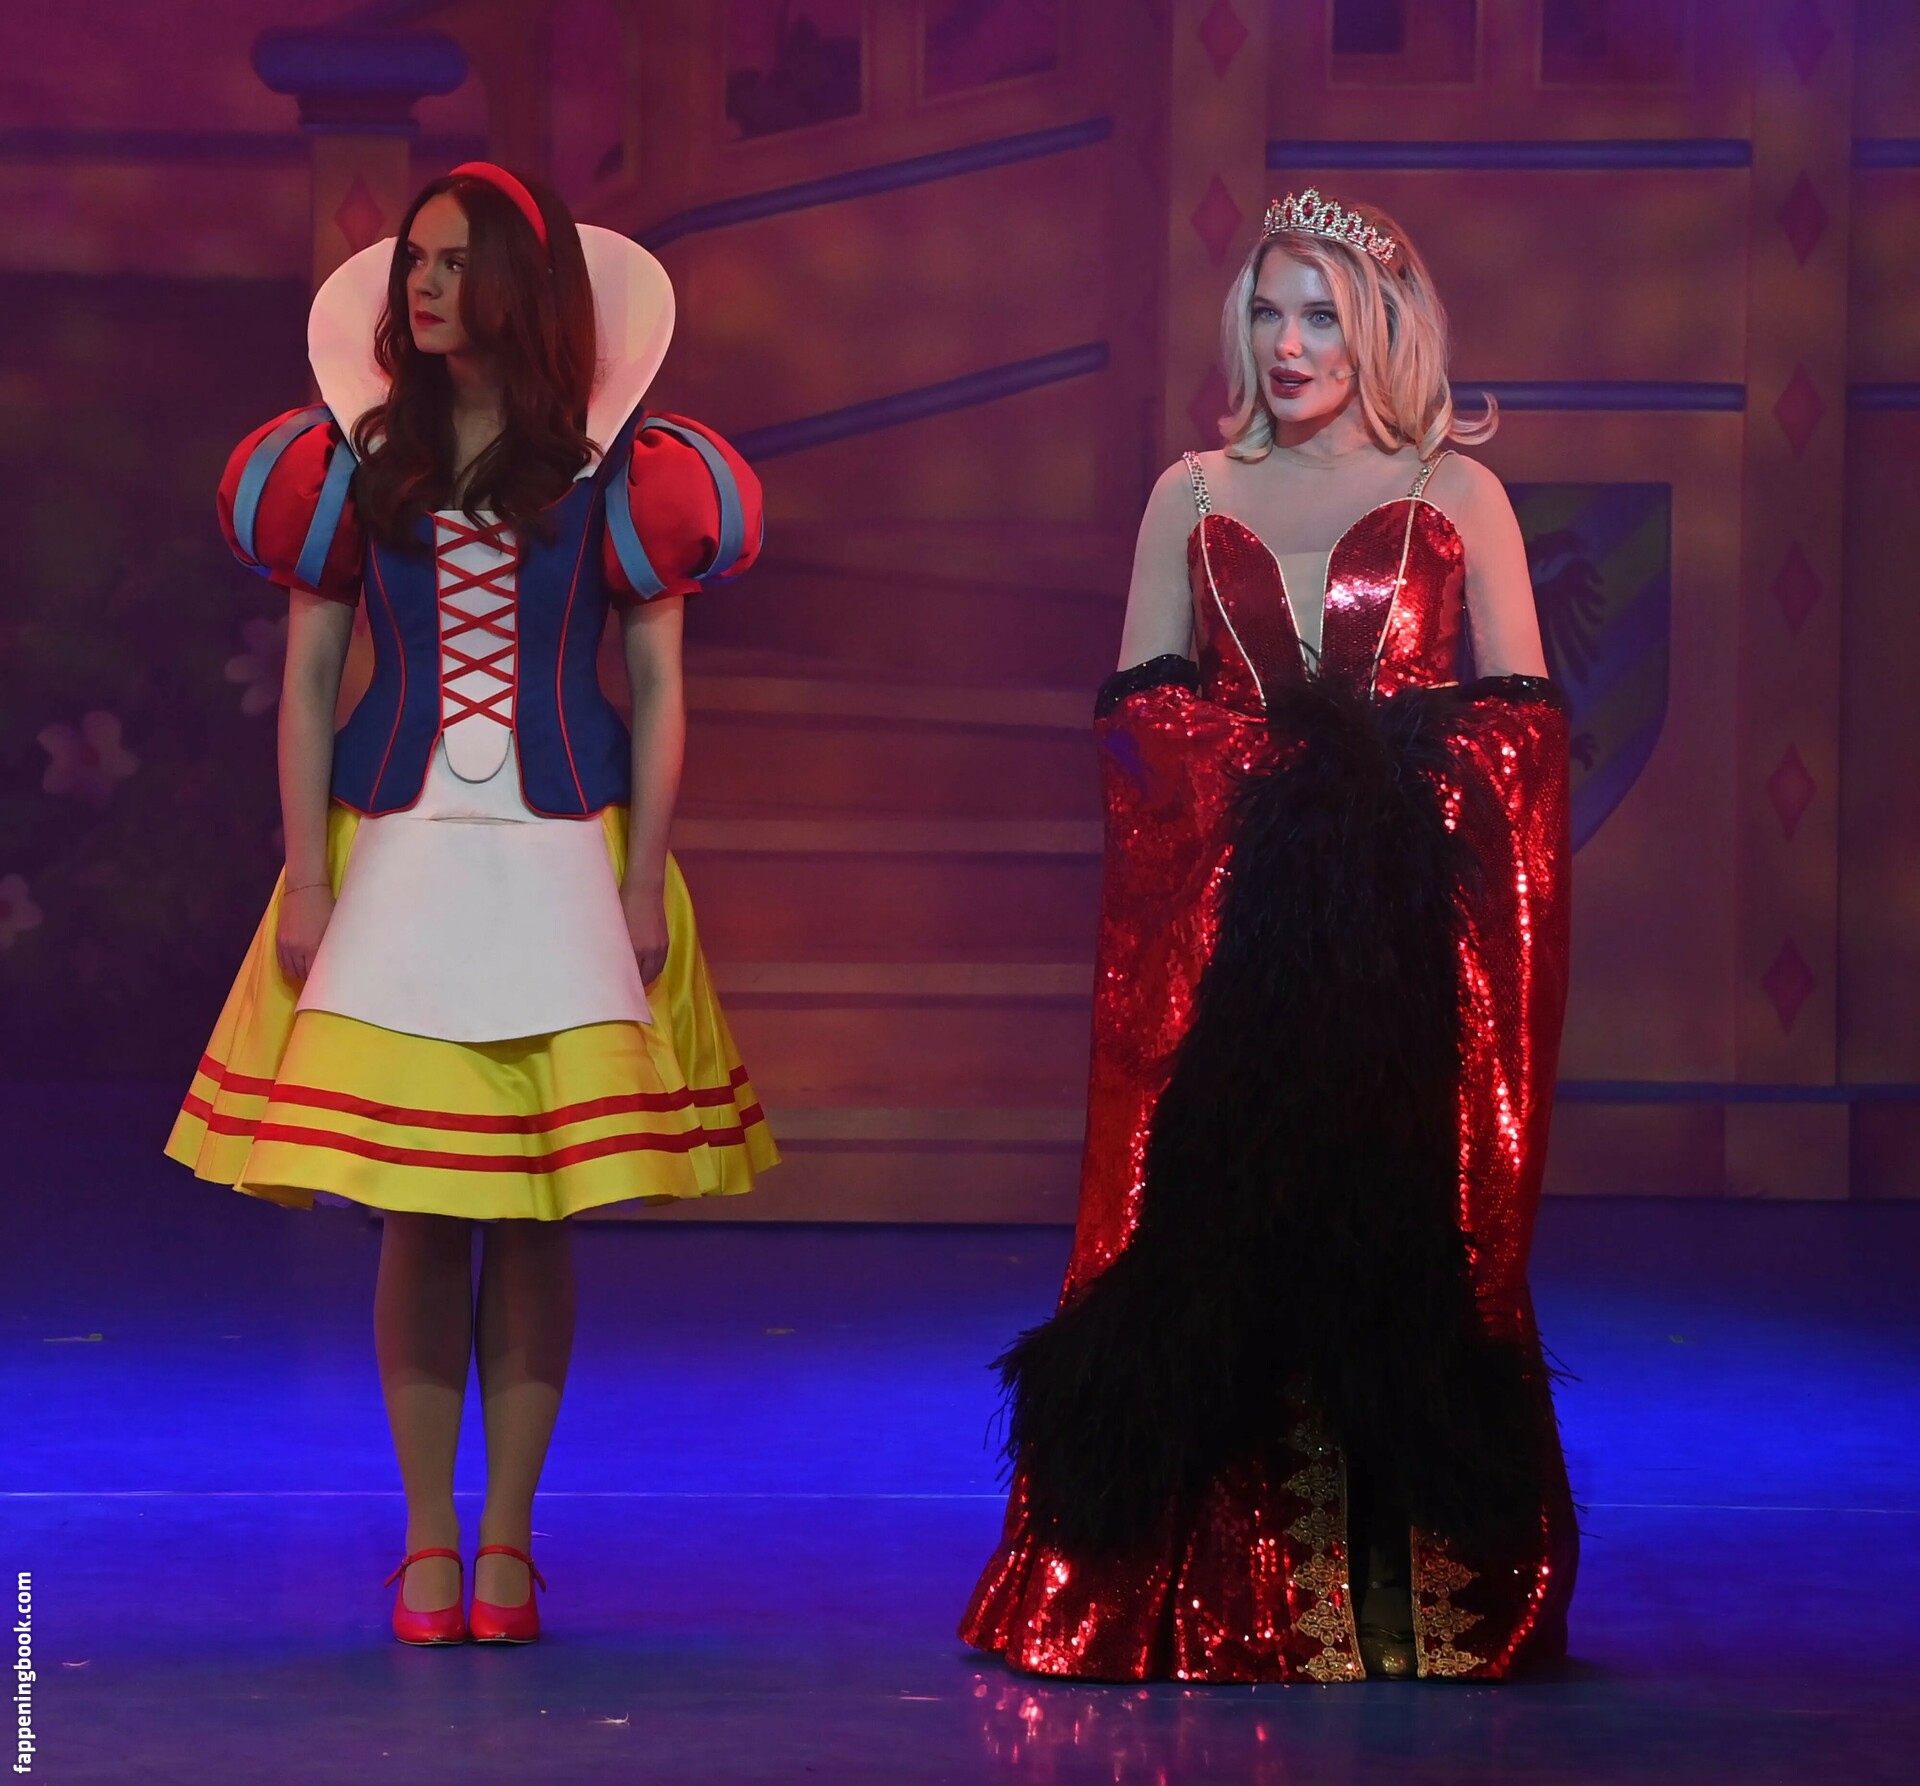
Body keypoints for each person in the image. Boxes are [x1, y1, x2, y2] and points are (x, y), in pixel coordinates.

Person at [961, 191, 1576, 1682]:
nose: (1287, 344)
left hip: (1398, 951)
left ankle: (1408, 1607)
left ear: (1382, 332)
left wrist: (1379, 798)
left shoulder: (1460, 492)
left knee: (1393, 1232)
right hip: (1230, 940)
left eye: (1319, 315)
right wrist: (1270, 786)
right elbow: (1136, 724)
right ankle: (1195, 1599)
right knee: (1208, 1224)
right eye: (1265, 310)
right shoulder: (1189, 491)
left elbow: (1525, 737)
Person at [165, 163, 777, 1646]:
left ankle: (510, 1541)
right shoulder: (357, 461)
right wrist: (307, 871)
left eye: (451, 262)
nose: (423, 287)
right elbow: (311, 684)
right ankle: (427, 1543)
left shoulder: (623, 471)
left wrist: (644, 873)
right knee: (422, 1213)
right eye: (415, 263)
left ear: (517, 282)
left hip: (564, 855)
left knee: (540, 1213)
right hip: (402, 852)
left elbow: (659, 689)